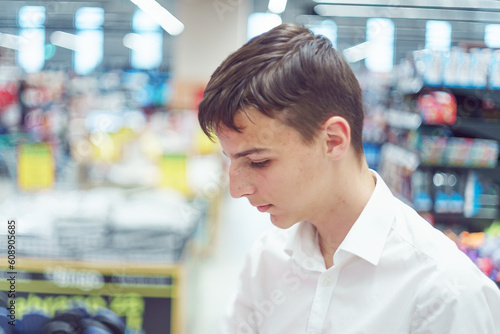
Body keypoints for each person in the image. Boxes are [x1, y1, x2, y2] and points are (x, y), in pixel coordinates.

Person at [198, 23, 500, 334]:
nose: (236, 189)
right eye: (231, 160)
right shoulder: (269, 257)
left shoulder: (445, 293)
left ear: (332, 140)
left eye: (259, 162)